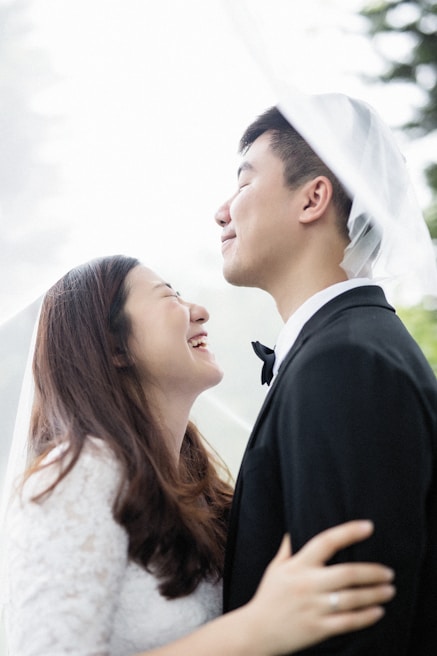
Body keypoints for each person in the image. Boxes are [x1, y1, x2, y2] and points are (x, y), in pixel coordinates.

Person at [3, 254, 395, 656]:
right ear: (115, 346)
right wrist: (256, 629)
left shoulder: (196, 483)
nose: (201, 312)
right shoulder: (79, 473)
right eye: (168, 296)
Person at [215, 97, 437, 654]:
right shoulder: (350, 346)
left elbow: (350, 630)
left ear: (313, 197)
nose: (222, 211)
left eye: (242, 183)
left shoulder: (346, 364)